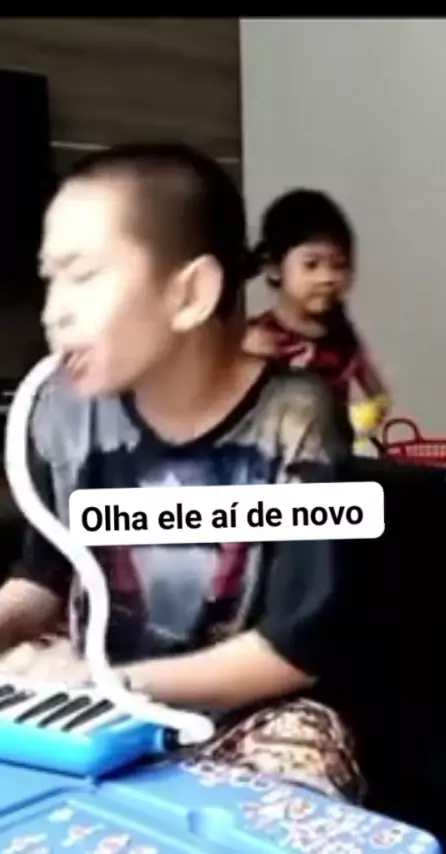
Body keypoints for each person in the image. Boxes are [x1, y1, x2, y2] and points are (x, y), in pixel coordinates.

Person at [0, 143, 362, 800]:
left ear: (190, 293)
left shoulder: (297, 418)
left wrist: (108, 681)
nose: (54, 311)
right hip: (89, 709)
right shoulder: (61, 409)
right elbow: (44, 576)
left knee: (307, 745)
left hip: (236, 718)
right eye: (50, 279)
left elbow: (292, 651)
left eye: (84, 276)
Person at [244, 189, 390, 447]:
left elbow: (378, 395)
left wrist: (362, 422)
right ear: (274, 268)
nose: (327, 278)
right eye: (311, 265)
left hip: (332, 458)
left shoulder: (342, 335)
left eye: (339, 265)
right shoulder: (257, 337)